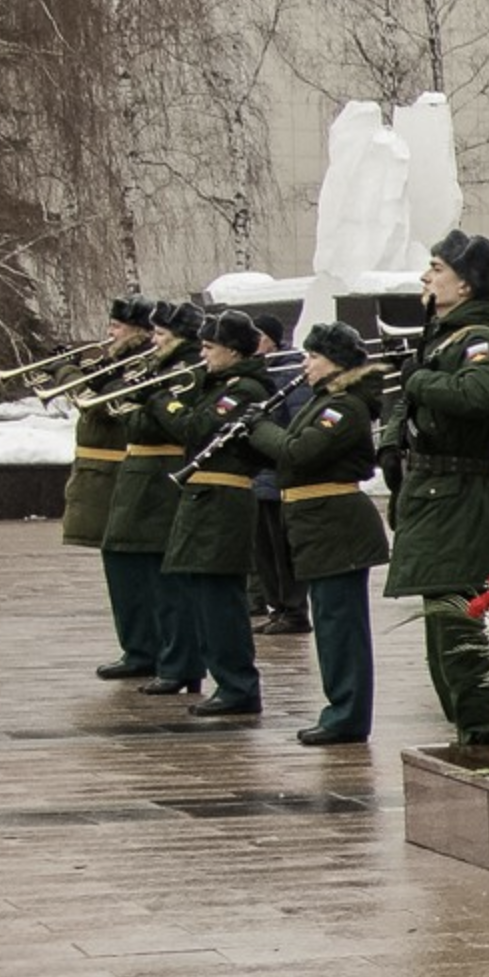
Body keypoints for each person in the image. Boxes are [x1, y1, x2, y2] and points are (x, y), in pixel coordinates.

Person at [385, 232, 489, 747]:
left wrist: (416, 382)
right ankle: (469, 736)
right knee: (440, 634)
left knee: (458, 635)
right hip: (437, 495)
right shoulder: (447, 334)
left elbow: (485, 394)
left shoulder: (477, 336)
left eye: (436, 268)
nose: (426, 277)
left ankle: (482, 741)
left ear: (466, 284)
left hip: (458, 499)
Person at [250, 323, 391, 747]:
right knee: (332, 624)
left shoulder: (343, 408)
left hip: (336, 525)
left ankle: (347, 715)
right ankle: (340, 710)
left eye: (313, 356)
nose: (305, 364)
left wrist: (258, 427)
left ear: (337, 363)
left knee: (339, 626)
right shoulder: (326, 400)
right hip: (318, 523)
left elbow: (299, 452)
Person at [156, 310, 276, 720]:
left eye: (209, 348)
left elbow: (195, 428)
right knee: (203, 593)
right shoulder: (220, 384)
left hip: (223, 497)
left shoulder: (242, 389)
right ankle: (226, 680)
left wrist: (161, 399)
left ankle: (237, 683)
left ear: (233, 350)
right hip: (204, 495)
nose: (202, 355)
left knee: (220, 598)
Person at [104, 303, 202, 696]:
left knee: (167, 578)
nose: (154, 340)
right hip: (140, 473)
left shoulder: (186, 369)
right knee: (129, 562)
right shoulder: (160, 368)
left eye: (162, 335)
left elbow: (169, 423)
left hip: (163, 473)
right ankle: (143, 649)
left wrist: (141, 405)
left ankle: (178, 662)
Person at [68, 297, 160, 680]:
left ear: (139, 332)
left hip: (121, 475)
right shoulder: (116, 362)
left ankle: (144, 648)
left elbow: (107, 406)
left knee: (133, 570)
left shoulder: (141, 363)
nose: (110, 333)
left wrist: (66, 376)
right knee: (121, 569)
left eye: (117, 328)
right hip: (104, 477)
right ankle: (137, 646)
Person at [245, 314, 312, 635]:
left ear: (272, 339)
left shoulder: (288, 371)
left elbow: (296, 423)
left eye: (258, 336)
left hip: (278, 473)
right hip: (259, 475)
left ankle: (295, 610)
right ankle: (277, 607)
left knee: (282, 549)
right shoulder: (257, 369)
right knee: (264, 551)